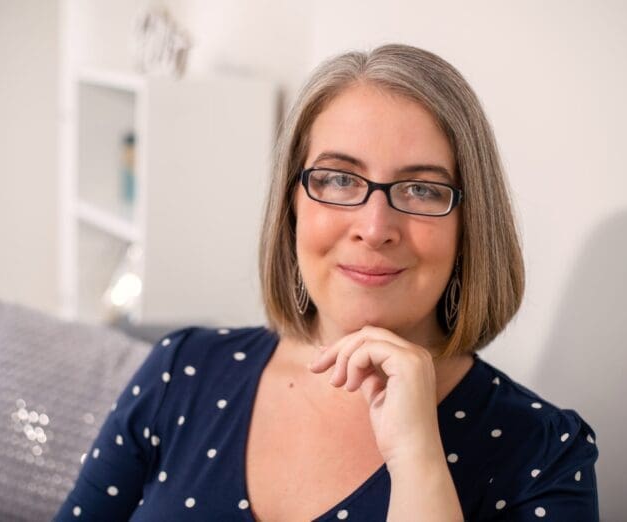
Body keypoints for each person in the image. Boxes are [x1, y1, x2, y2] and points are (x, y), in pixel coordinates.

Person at [55, 44, 599, 521]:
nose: (375, 228)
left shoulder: (544, 453)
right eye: (339, 179)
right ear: (292, 204)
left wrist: (417, 460)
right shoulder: (181, 370)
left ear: (469, 224)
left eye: (421, 189)